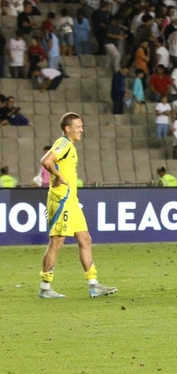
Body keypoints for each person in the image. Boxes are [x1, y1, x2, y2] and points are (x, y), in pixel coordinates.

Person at [38, 113, 116, 299]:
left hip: (71, 200)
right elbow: (46, 161)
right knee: (57, 243)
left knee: (85, 239)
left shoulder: (70, 146)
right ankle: (45, 287)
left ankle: (93, 284)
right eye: (78, 126)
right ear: (68, 128)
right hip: (61, 199)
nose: (81, 129)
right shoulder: (63, 143)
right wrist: (59, 177)